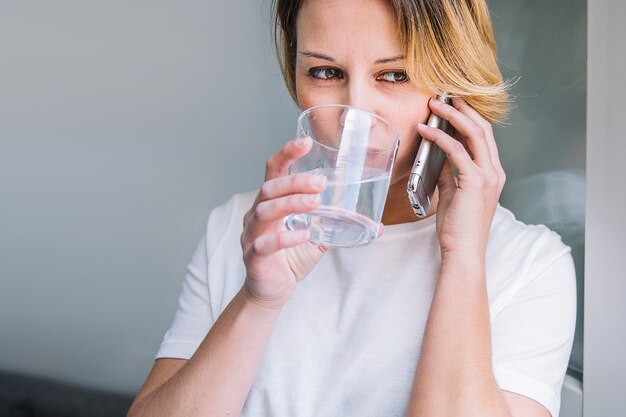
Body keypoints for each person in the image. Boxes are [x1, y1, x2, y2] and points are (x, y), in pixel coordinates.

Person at [127, 0, 576, 416]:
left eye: (395, 75)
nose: (354, 113)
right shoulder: (243, 229)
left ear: (454, 90)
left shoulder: (530, 266)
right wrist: (258, 302)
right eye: (325, 72)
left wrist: (461, 256)